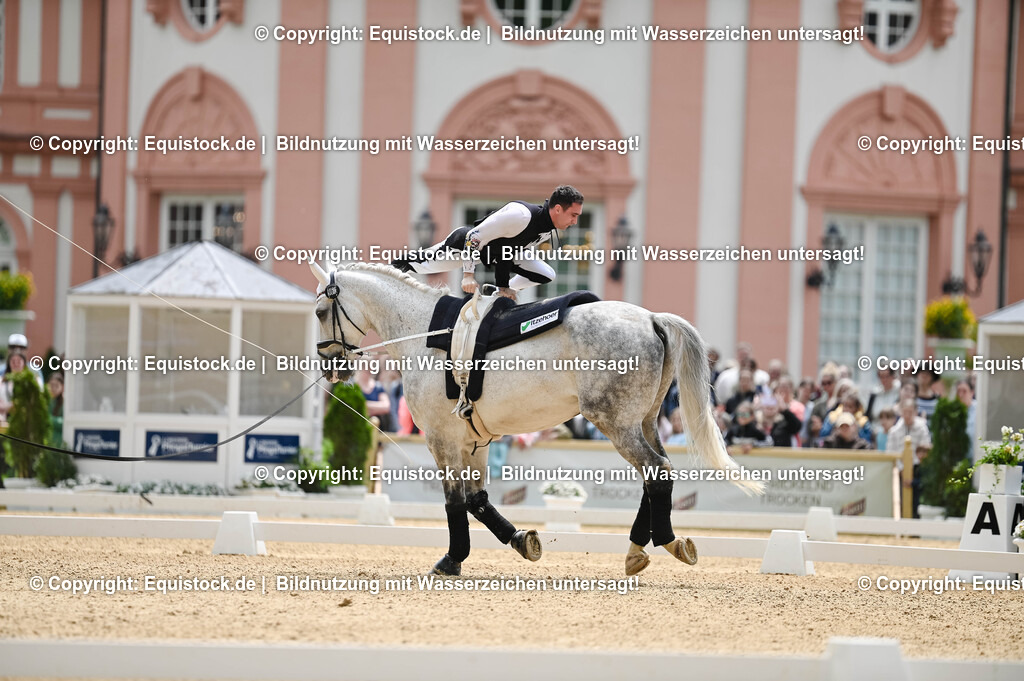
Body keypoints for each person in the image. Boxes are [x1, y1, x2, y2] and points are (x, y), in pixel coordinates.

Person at [393, 185, 584, 300]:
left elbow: (506, 253)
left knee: (547, 274)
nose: (575, 222)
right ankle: (380, 271)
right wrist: (468, 275)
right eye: (573, 215)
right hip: (464, 246)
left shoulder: (547, 230)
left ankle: (493, 292)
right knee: (419, 265)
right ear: (558, 209)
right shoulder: (520, 215)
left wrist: (503, 287)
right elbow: (474, 237)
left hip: (494, 254)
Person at [887, 397, 933, 518]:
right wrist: (902, 469)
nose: (907, 415)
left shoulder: (922, 428)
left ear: (915, 412)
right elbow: (891, 453)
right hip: (899, 472)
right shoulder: (894, 431)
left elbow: (925, 449)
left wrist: (913, 468)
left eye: (910, 412)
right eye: (905, 411)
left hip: (918, 471)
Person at [0, 351, 27, 423]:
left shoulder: (28, 382)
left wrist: (7, 407)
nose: (15, 363)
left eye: (19, 361)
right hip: (3, 419)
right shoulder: (2, 380)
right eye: (13, 361)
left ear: (24, 363)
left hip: (22, 420)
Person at [955, 379, 977, 460]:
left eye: (964, 391)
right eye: (958, 391)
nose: (961, 395)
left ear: (972, 393)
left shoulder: (979, 410)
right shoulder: (953, 411)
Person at [47, 372, 64, 445]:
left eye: (56, 386)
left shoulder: (64, 403)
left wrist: (49, 419)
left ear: (62, 387)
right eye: (51, 385)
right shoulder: (45, 401)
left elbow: (64, 422)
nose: (53, 388)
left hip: (58, 442)